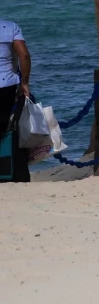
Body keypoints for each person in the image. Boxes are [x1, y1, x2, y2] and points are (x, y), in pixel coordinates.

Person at [0, 17, 31, 181]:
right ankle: (14, 174)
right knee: (11, 129)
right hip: (6, 86)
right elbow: (24, 55)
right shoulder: (10, 27)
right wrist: (25, 82)